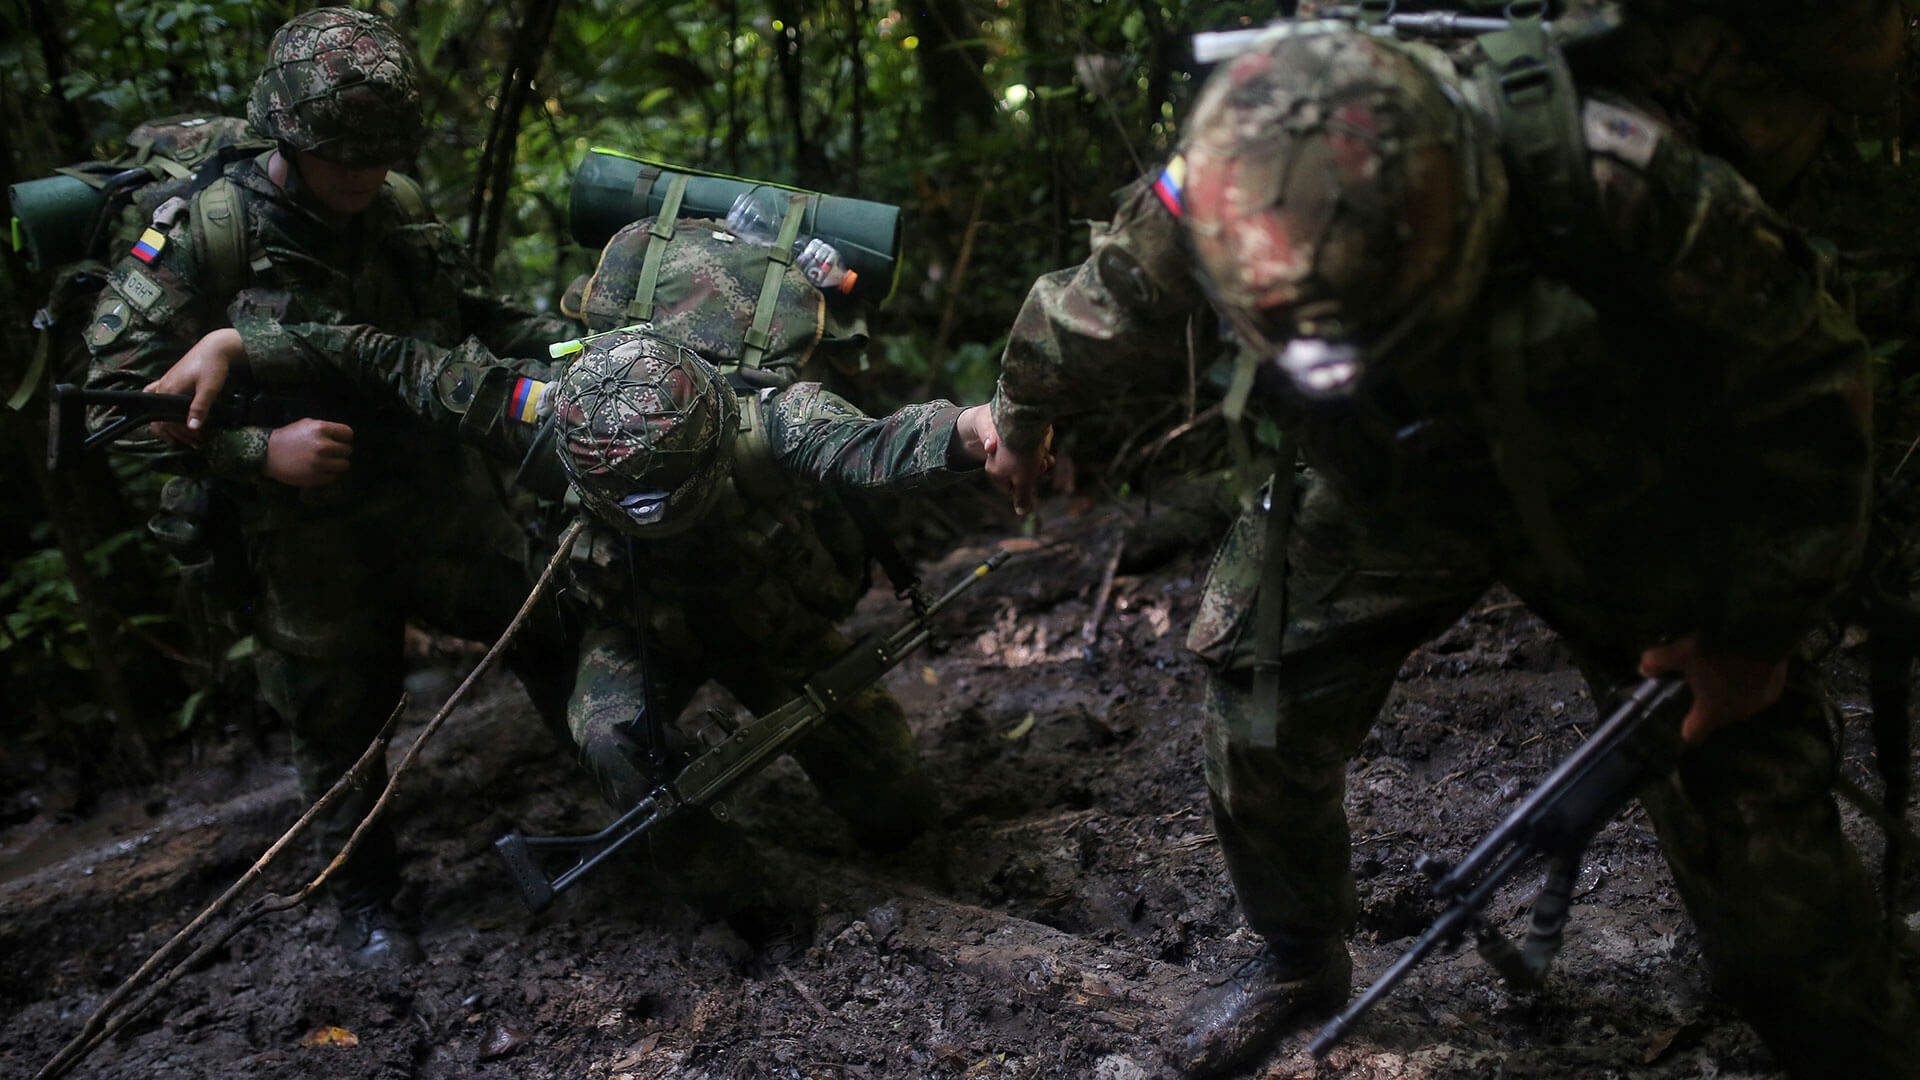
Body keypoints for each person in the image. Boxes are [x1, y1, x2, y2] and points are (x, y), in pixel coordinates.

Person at [983, 7, 1917, 1079]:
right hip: (1394, 477)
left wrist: (1752, 633)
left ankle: (1841, 1025)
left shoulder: (1614, 177)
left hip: (1622, 484)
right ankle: (1293, 952)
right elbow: (1107, 298)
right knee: (1259, 690)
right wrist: (1021, 415)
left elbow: (1811, 387)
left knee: (1752, 817)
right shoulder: (1230, 177)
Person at [149, 312, 1013, 922]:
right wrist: (238, 343)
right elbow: (388, 359)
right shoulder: (537, 413)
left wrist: (979, 428)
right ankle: (743, 901)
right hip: (639, 626)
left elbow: (878, 445)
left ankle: (885, 831)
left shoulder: (768, 421)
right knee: (607, 734)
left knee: (896, 808)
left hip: (766, 616)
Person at [83, 7, 578, 967]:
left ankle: (632, 789)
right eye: (341, 159)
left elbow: (486, 316)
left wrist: (583, 358)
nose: (360, 179)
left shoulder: (397, 206)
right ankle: (366, 900)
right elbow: (118, 410)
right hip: (305, 529)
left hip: (435, 495)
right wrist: (254, 454)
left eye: (376, 159)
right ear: (288, 137)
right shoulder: (201, 239)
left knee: (545, 621)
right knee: (340, 714)